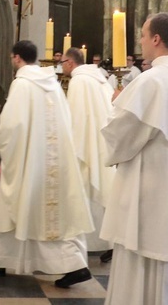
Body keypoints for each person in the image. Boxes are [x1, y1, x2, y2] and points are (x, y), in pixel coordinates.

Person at [101, 12, 168, 304]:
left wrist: (115, 106)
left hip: (150, 204)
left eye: (142, 35)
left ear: (156, 39)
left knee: (143, 275)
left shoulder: (153, 82)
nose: (140, 41)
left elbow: (120, 135)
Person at [0, 40, 93, 288]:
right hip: (55, 160)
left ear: (17, 58)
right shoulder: (52, 84)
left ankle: (73, 265)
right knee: (50, 216)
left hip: (30, 161)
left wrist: (4, 145)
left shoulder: (22, 85)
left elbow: (11, 127)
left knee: (19, 208)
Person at [61, 47, 115, 257]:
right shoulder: (98, 78)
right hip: (102, 142)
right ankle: (107, 242)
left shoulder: (79, 81)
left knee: (88, 188)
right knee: (102, 188)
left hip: (87, 142)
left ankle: (91, 243)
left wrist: (70, 145)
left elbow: (76, 118)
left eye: (62, 62)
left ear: (69, 62)